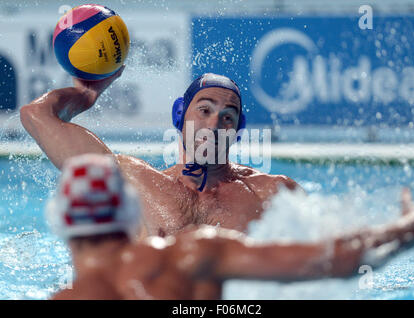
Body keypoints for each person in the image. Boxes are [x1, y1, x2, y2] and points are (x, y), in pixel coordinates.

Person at [48, 154, 414, 300]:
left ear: (61, 223)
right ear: (132, 214)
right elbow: (341, 259)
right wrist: (408, 226)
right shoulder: (194, 252)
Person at [20, 70, 302, 238]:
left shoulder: (273, 193)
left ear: (237, 129)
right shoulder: (134, 183)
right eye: (204, 110)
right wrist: (84, 94)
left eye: (228, 117)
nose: (214, 125)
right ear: (180, 115)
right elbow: (36, 114)